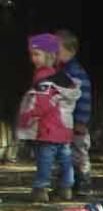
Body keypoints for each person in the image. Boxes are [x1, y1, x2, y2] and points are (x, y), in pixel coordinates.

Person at [15, 33, 78, 201]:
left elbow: (42, 102)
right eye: (31, 54)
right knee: (65, 160)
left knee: (45, 160)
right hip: (64, 128)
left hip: (48, 128)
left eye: (37, 54)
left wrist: (28, 115)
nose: (33, 59)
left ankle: (41, 189)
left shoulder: (43, 77)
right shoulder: (62, 77)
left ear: (49, 55)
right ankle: (66, 188)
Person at [54, 31, 91, 195]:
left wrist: (81, 121)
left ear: (71, 51)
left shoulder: (76, 73)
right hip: (62, 121)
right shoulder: (57, 71)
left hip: (76, 121)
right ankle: (67, 182)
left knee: (79, 152)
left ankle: (83, 182)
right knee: (64, 152)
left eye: (57, 50)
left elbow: (84, 98)